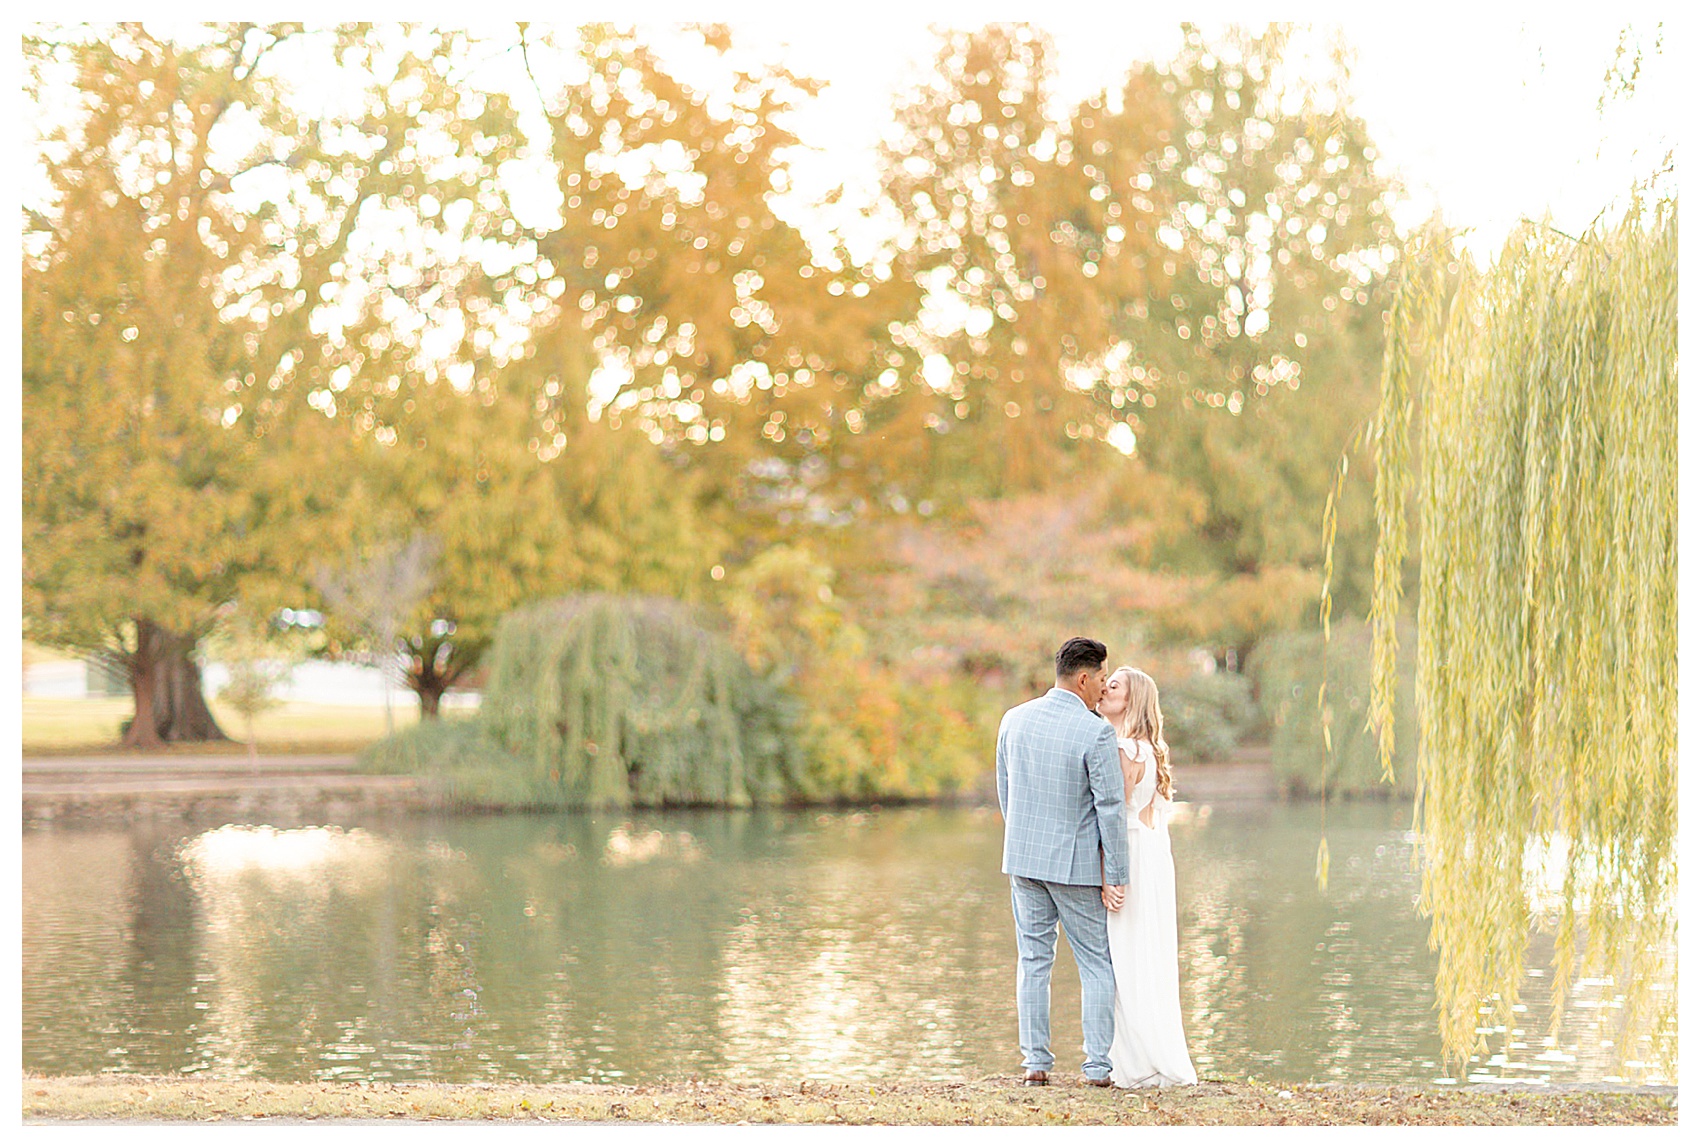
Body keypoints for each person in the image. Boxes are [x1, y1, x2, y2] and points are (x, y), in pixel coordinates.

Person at [995, 637, 1128, 1087]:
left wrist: (1020, 839)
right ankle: (1096, 1068)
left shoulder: (1013, 720)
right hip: (1075, 867)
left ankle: (1035, 1063)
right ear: (1084, 677)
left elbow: (1005, 792)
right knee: (1095, 963)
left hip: (1023, 860)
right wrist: (1118, 875)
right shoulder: (1096, 731)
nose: (1102, 692)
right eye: (1102, 681)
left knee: (1032, 959)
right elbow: (1109, 808)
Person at [1096, 666, 1198, 1088]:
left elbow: (1114, 818)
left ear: (1132, 700)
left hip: (1132, 858)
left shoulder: (1125, 749)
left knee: (1126, 955)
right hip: (1154, 858)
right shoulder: (1148, 749)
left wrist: (1109, 875)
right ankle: (1150, 1053)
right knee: (1148, 953)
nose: (1104, 689)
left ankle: (1136, 1061)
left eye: (1113, 686)